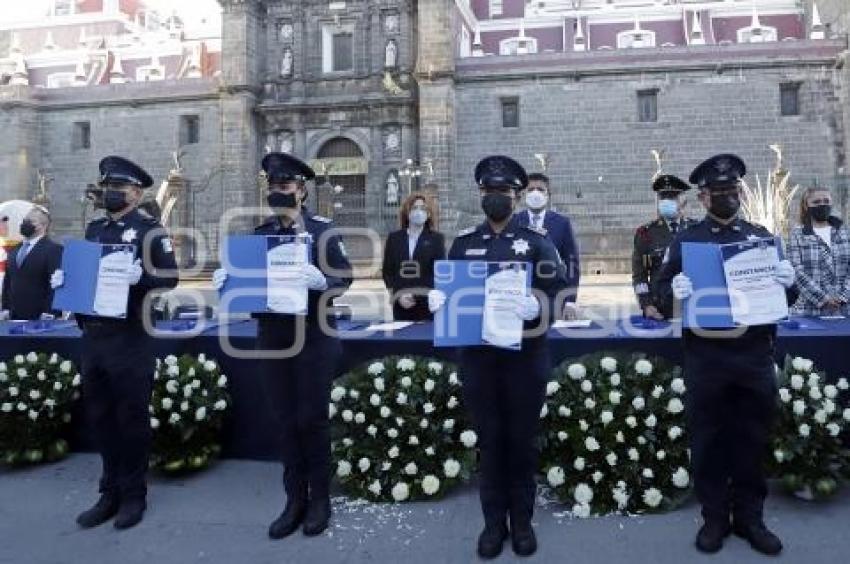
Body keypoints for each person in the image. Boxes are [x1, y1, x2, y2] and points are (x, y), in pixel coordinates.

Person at [656, 154, 798, 556]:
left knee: (752, 438)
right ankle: (715, 518)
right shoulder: (686, 241)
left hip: (752, 353)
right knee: (709, 440)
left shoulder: (760, 237)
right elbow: (661, 294)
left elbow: (784, 298)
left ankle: (751, 519)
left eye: (732, 190)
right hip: (707, 357)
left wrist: (789, 283)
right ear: (702, 197)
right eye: (718, 192)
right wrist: (674, 295)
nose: (727, 197)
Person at [429, 156, 568, 558]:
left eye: (504, 192)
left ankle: (522, 521)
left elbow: (558, 293)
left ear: (517, 196)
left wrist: (537, 308)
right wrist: (441, 303)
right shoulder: (464, 244)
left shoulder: (538, 243)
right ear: (481, 195)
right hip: (479, 360)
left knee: (521, 443)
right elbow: (453, 296)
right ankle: (493, 523)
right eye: (490, 192)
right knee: (490, 442)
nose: (497, 198)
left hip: (525, 358)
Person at [213, 152, 352, 539]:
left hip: (313, 337)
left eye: (285, 186)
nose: (278, 191)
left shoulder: (322, 231)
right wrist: (228, 283)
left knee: (312, 419)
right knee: (286, 421)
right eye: (273, 186)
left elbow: (345, 277)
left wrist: (323, 281)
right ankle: (294, 500)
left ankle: (320, 499)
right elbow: (248, 292)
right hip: (273, 339)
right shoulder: (260, 235)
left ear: (301, 190)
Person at [50, 156, 178, 530]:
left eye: (116, 190)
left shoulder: (150, 230)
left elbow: (169, 277)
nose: (109, 194)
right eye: (105, 189)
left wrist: (142, 277)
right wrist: (66, 282)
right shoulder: (94, 230)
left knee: (131, 417)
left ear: (135, 194)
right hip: (95, 337)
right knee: (102, 417)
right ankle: (108, 492)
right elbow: (85, 276)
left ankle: (134, 494)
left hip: (131, 338)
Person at [632, 174, 695, 319]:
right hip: (660, 308)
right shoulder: (646, 233)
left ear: (682, 201)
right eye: (663, 197)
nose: (667, 201)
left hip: (693, 305)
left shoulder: (695, 230)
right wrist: (646, 304)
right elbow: (639, 276)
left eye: (672, 197)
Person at [516, 172, 581, 315]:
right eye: (531, 189)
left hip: (553, 299)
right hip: (519, 300)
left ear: (548, 195)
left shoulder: (562, 223)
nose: (535, 193)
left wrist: (569, 300)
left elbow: (572, 263)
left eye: (540, 189)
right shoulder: (515, 222)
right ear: (523, 194)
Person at [381, 192, 446, 321]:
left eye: (423, 208)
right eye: (414, 208)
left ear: (428, 214)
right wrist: (397, 295)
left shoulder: (436, 239)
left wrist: (416, 296)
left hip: (426, 304)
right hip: (401, 305)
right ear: (407, 211)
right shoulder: (394, 238)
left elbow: (438, 272)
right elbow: (388, 272)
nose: (418, 212)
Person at [787, 186, 850, 316]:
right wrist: (823, 299)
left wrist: (843, 296)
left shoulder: (845, 232)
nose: (822, 204)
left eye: (826, 201)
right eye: (816, 202)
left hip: (845, 309)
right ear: (806, 206)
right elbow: (796, 271)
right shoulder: (797, 234)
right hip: (809, 311)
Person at [0, 206, 63, 320]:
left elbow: (55, 284)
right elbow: (8, 281)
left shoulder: (53, 249)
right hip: (13, 316)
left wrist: (50, 311)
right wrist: (5, 308)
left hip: (40, 317)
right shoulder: (14, 250)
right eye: (24, 220)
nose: (25, 224)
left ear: (43, 226)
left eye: (31, 221)